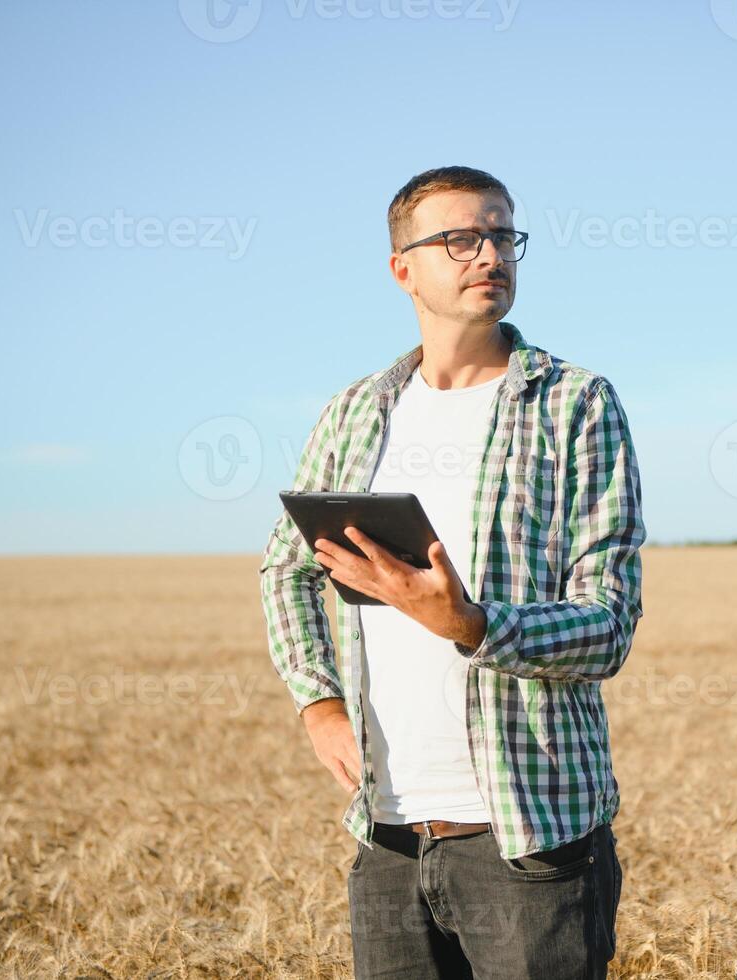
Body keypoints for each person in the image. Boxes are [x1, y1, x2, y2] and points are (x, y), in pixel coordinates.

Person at [258, 165, 646, 978]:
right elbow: (286, 570)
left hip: (530, 841)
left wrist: (470, 624)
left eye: (502, 235)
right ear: (403, 269)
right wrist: (318, 705)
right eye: (459, 239)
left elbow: (607, 621)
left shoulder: (574, 403)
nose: (488, 255)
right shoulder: (356, 411)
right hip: (389, 842)